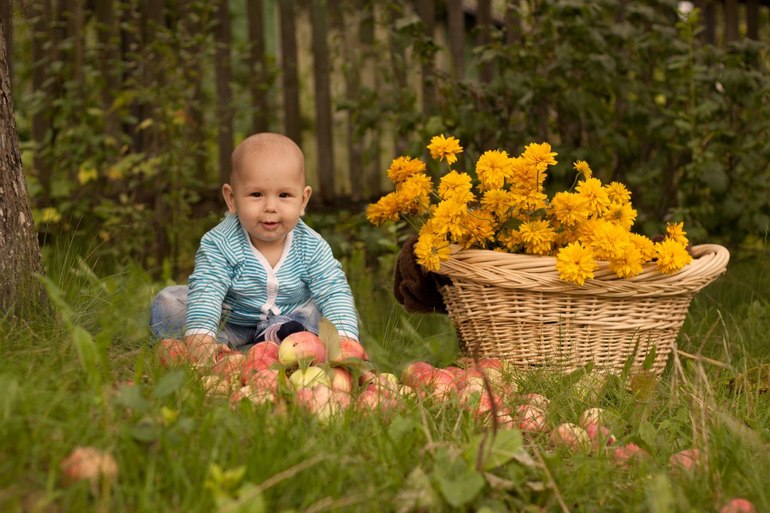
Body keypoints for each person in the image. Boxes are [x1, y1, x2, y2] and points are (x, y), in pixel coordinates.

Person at [149, 133, 360, 361]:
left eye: (284, 195)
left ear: (303, 200)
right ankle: (218, 348)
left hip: (292, 319)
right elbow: (207, 290)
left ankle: (277, 346)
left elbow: (332, 290)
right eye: (256, 194)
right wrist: (202, 337)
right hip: (230, 322)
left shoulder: (311, 245)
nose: (270, 206)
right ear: (232, 199)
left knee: (337, 313)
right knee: (168, 303)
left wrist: (346, 344)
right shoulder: (220, 242)